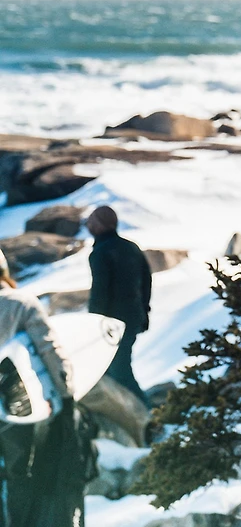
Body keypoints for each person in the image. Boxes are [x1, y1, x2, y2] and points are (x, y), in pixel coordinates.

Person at [0, 246, 74, 525]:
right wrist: (66, 395)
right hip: (21, 407)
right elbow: (50, 350)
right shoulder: (22, 303)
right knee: (22, 476)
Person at [86, 205, 152, 406]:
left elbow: (100, 291)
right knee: (115, 368)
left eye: (91, 221)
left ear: (99, 224)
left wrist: (93, 323)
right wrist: (144, 311)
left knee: (118, 370)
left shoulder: (100, 253)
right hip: (133, 318)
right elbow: (146, 280)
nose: (88, 224)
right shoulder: (131, 247)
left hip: (111, 323)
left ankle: (149, 417)